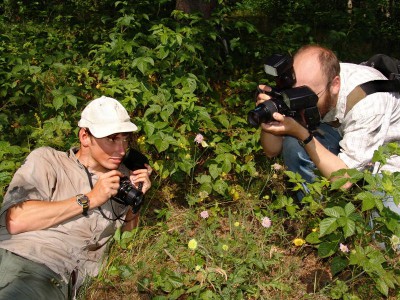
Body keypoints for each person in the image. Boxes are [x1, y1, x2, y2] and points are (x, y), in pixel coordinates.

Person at [0, 96, 152, 299]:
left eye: (125, 139)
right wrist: (90, 198)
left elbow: (128, 240)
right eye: (112, 139)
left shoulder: (122, 180)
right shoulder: (49, 161)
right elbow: (15, 220)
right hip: (23, 261)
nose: (121, 149)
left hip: (60, 278)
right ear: (85, 137)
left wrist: (136, 199)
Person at [258, 44, 400, 215]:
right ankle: (316, 214)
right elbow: (271, 151)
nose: (300, 101)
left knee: (385, 236)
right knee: (294, 144)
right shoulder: (310, 84)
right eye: (295, 92)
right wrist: (269, 114)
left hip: (388, 156)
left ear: (334, 85)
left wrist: (303, 134)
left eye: (308, 96)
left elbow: (345, 179)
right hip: (342, 133)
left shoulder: (369, 104)